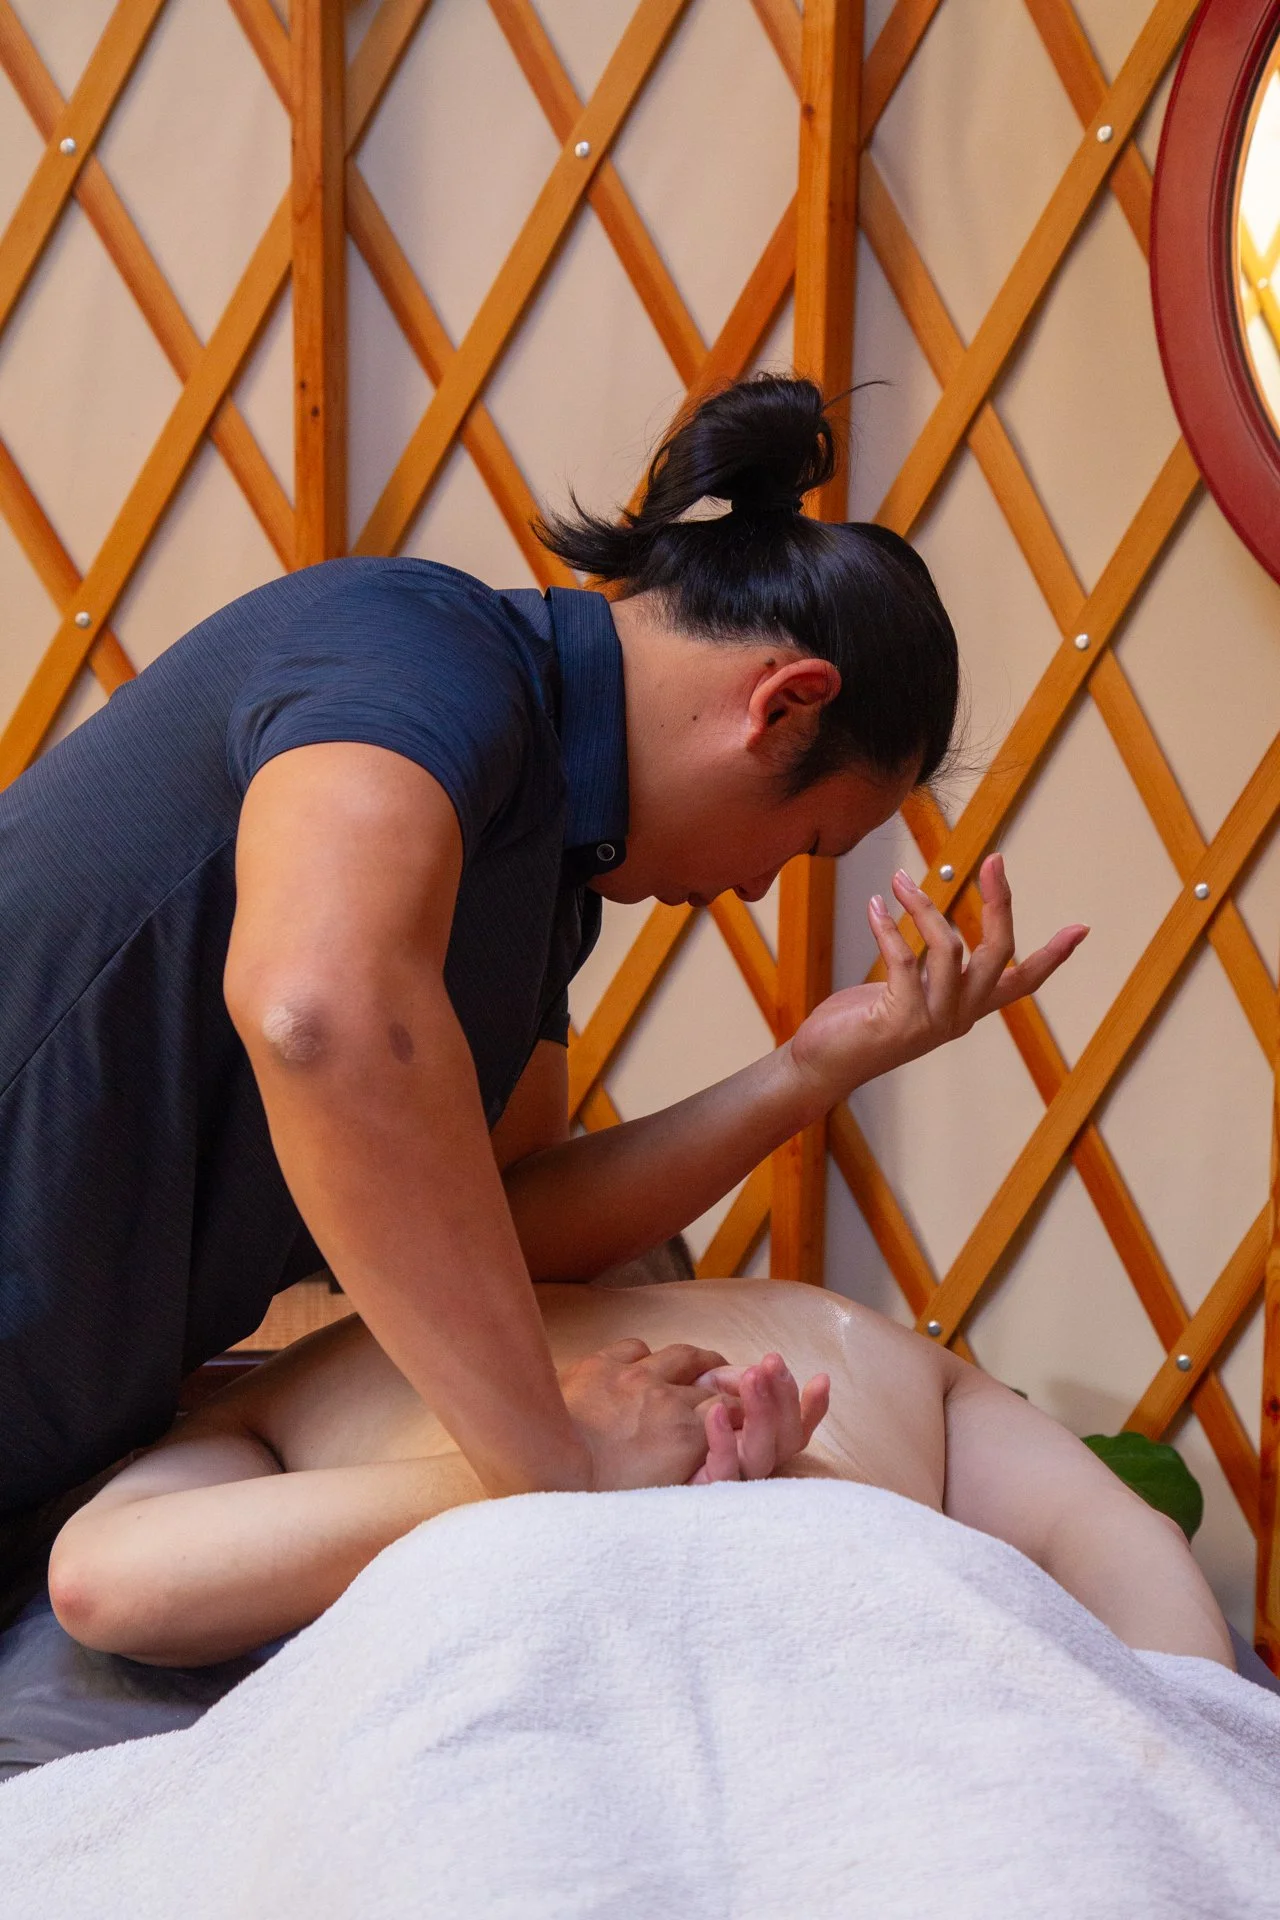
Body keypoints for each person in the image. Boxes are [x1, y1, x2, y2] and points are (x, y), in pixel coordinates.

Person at [0, 373, 1086, 1537]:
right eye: (805, 842)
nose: (758, 887)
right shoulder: (413, 650)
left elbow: (506, 1224)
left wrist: (810, 1068)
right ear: (781, 706)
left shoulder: (551, 882)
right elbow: (318, 1012)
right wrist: (552, 1465)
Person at [46, 1277, 1234, 1672]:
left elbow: (108, 1579)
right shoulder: (833, 1328)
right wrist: (567, 1470)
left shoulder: (313, 1372)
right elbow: (1115, 1540)